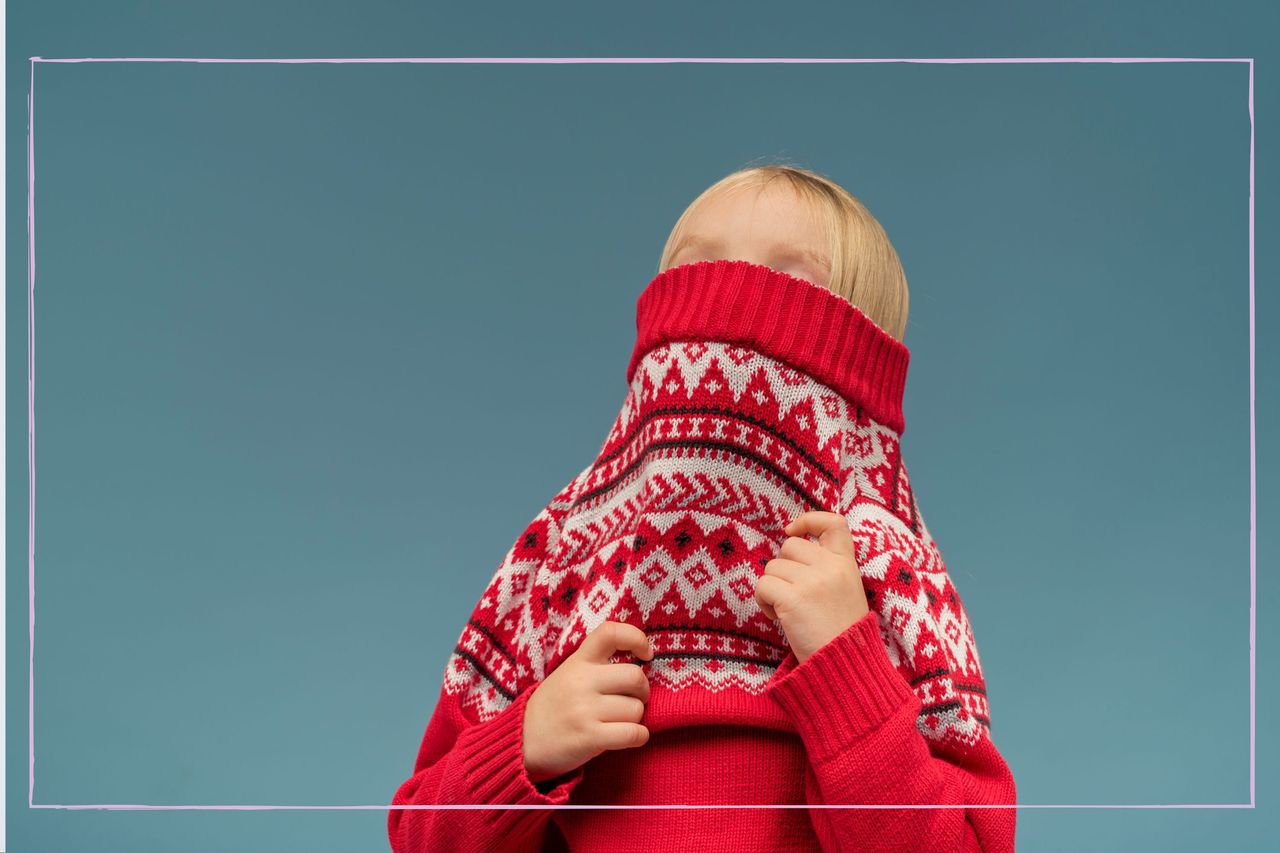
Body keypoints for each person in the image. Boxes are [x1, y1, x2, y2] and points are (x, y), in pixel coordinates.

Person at [388, 164, 1018, 852]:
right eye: (696, 273)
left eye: (790, 285)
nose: (727, 316)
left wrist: (848, 671)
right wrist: (522, 750)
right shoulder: (559, 568)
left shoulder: (894, 587)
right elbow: (420, 832)